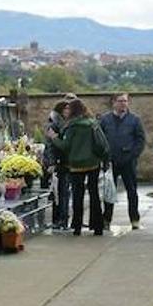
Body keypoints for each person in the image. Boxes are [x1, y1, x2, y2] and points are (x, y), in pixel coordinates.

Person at [46, 99, 110, 236]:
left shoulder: (72, 126)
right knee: (94, 195)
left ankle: (77, 226)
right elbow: (102, 143)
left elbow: (65, 146)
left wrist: (54, 138)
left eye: (69, 108)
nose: (66, 111)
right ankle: (97, 226)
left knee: (77, 195)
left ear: (73, 110)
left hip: (76, 165)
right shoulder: (92, 123)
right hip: (93, 163)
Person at [98, 93, 146, 230]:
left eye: (125, 101)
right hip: (110, 161)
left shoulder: (135, 120)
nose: (123, 104)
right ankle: (106, 219)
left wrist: (133, 154)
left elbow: (140, 140)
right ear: (114, 102)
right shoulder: (105, 119)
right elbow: (99, 139)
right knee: (109, 192)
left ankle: (135, 219)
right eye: (120, 101)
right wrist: (103, 156)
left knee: (132, 191)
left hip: (128, 161)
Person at [44, 99, 72, 229]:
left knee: (64, 192)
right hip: (59, 162)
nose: (68, 111)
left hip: (67, 161)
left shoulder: (68, 123)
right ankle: (59, 219)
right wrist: (52, 162)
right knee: (59, 193)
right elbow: (50, 146)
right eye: (65, 109)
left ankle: (62, 219)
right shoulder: (54, 125)